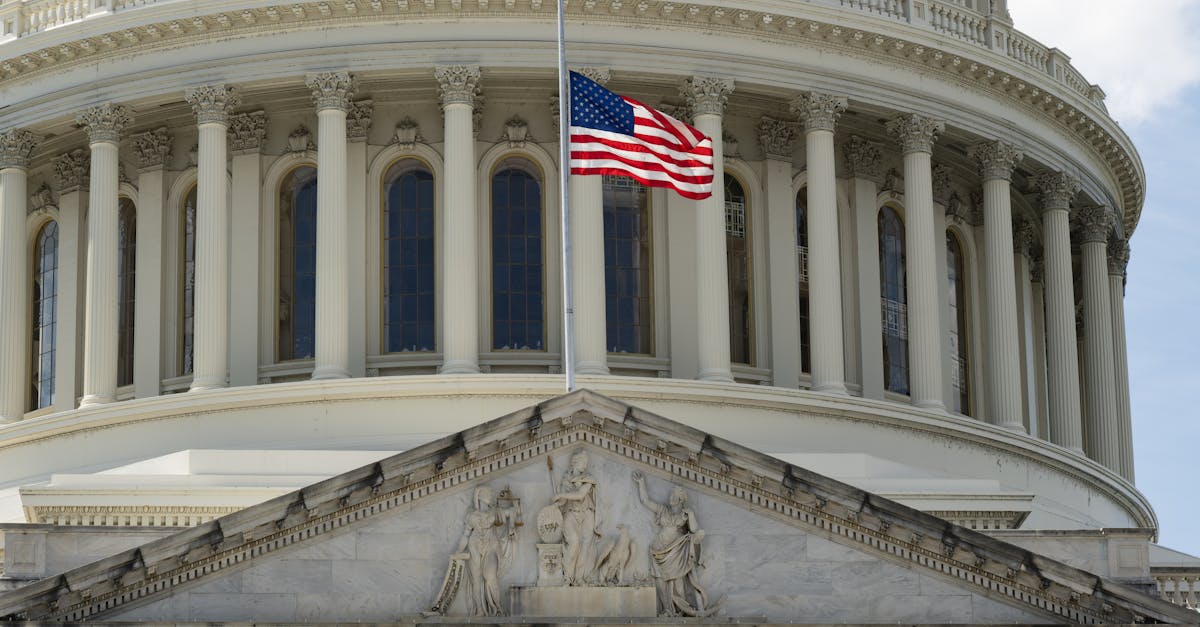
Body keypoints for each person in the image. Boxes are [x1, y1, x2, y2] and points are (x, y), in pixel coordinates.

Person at [632, 471, 721, 617]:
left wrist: (691, 514)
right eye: (671, 494)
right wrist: (641, 483)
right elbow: (645, 501)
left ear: (681, 498)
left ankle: (680, 609)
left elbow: (694, 530)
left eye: (674, 495)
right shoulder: (663, 510)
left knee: (678, 584)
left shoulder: (685, 514)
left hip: (677, 552)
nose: (671, 497)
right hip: (658, 551)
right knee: (660, 582)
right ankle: (667, 609)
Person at [454, 486, 517, 615]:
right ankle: (480, 611)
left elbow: (512, 511)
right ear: (480, 496)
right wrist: (458, 551)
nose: (490, 496)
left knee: (490, 577)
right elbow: (465, 535)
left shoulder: (494, 511)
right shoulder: (472, 516)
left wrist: (511, 527)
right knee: (476, 579)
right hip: (475, 545)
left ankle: (497, 608)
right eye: (488, 493)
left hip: (491, 546)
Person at [553, 450, 601, 585]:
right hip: (571, 512)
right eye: (583, 462)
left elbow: (580, 495)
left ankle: (579, 578)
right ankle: (568, 577)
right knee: (573, 542)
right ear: (575, 462)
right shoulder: (565, 479)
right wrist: (555, 504)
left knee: (585, 545)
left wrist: (561, 495)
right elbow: (562, 502)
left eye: (586, 463)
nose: (585, 465)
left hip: (587, 513)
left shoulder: (588, 478)